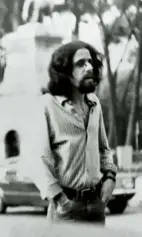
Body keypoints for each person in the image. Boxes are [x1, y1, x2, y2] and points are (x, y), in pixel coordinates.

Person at [30, 40, 118, 225]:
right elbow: (39, 160)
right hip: (66, 209)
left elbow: (104, 149)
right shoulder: (47, 105)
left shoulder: (94, 104)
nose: (89, 67)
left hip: (96, 205)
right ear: (65, 72)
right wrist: (61, 200)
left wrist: (110, 177)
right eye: (80, 63)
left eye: (90, 62)